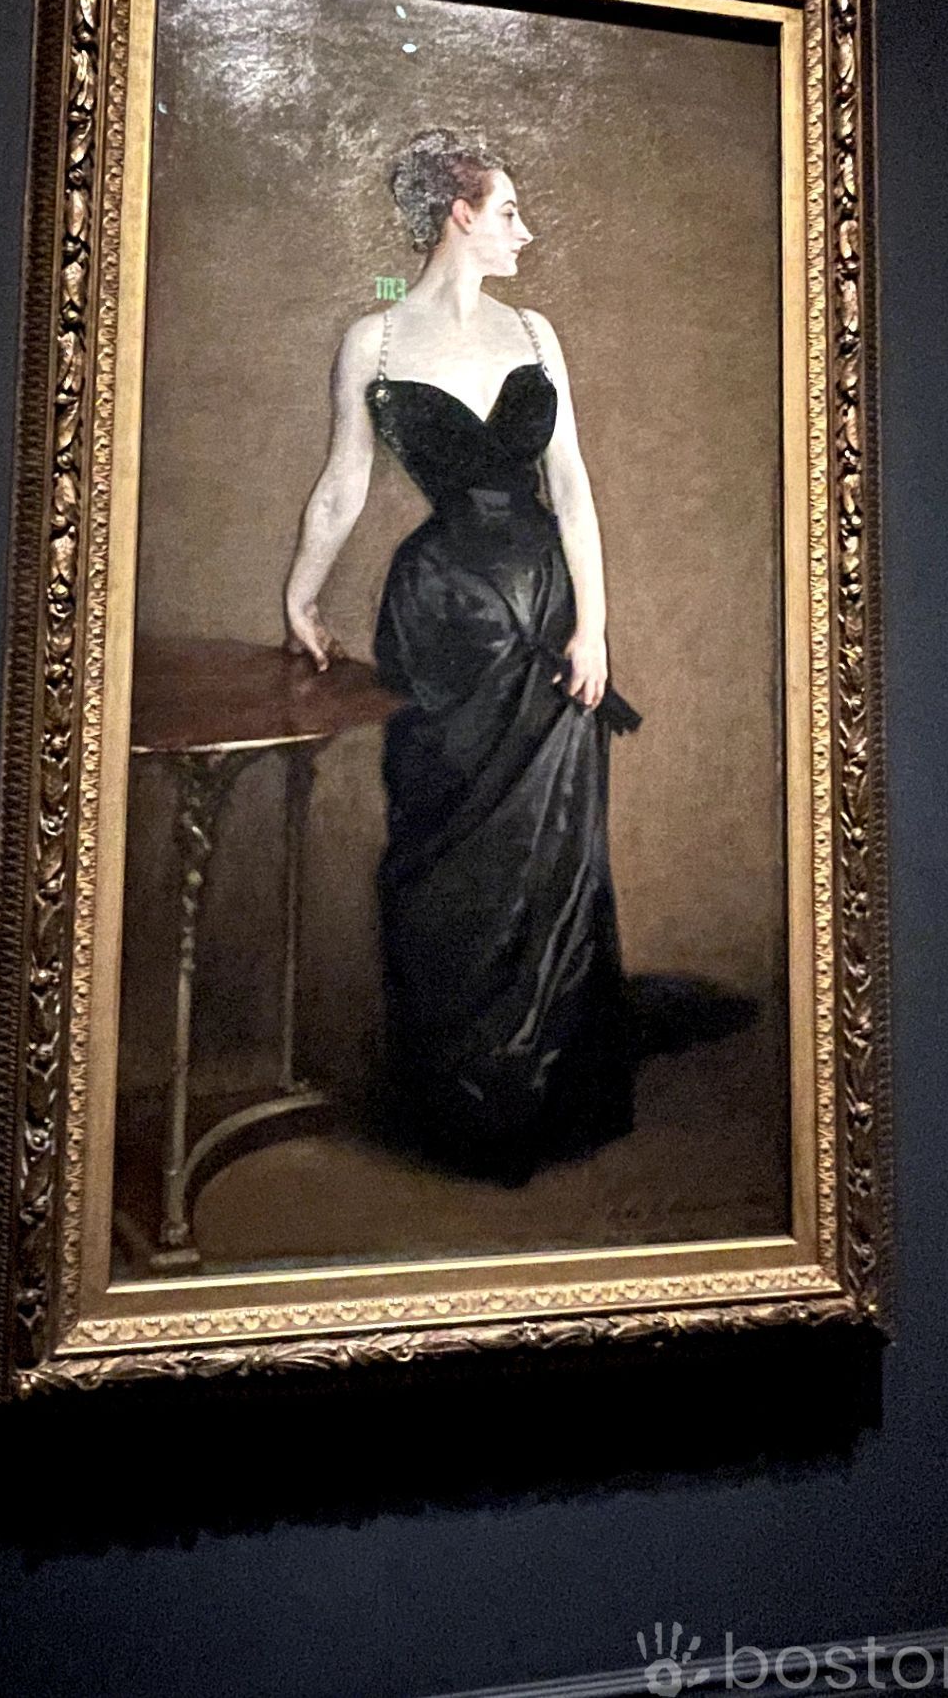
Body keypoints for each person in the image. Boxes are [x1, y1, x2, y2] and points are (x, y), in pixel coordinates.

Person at [283, 129, 635, 1181]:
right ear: (460, 213)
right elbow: (344, 485)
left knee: (553, 846)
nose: (526, 231)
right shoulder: (375, 341)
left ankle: (539, 1093)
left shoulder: (534, 332)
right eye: (510, 211)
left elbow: (571, 488)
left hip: (545, 611)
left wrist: (594, 626)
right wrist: (299, 593)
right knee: (443, 848)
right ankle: (453, 1099)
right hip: (441, 623)